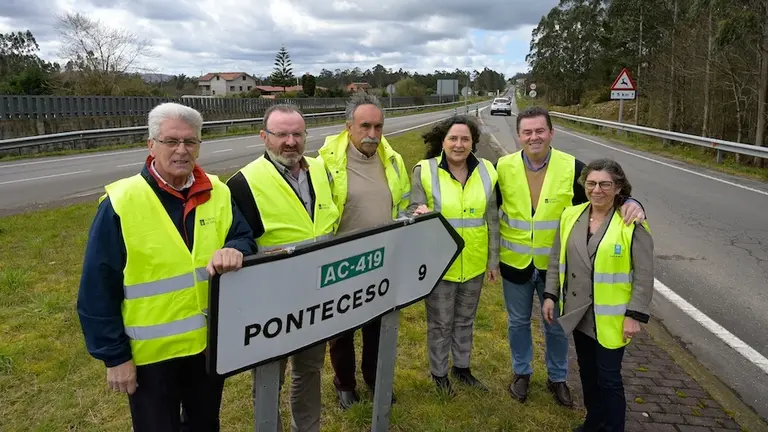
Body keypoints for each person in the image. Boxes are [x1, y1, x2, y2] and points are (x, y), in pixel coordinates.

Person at [77, 102, 256, 432]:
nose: (181, 150)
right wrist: (114, 357)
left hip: (206, 348)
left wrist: (234, 248)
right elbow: (96, 288)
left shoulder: (218, 191)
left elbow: (244, 236)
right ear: (151, 145)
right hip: (150, 357)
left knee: (205, 424)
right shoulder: (122, 202)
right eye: (171, 141)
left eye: (190, 142)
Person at [495, 106, 646, 407]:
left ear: (552, 132)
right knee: (517, 322)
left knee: (557, 325)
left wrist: (632, 201)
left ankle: (558, 377)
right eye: (527, 132)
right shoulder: (502, 167)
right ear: (518, 135)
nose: (534, 137)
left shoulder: (573, 167)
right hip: (516, 262)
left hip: (559, 267)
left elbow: (603, 192)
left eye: (540, 130)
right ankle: (521, 373)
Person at [226, 104, 339, 432]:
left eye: (297, 134)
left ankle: (307, 428)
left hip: (316, 294)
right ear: (264, 137)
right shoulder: (242, 183)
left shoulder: (320, 170)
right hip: (268, 302)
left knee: (309, 370)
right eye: (281, 134)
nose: (290, 141)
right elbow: (237, 243)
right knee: (268, 376)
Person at [542, 158, 654, 432]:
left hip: (613, 318)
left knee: (609, 378)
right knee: (588, 375)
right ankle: (593, 423)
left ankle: (613, 427)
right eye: (591, 183)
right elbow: (557, 259)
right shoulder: (571, 215)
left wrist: (634, 315)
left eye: (605, 184)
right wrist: (550, 295)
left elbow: (644, 274)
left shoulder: (631, 222)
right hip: (579, 313)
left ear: (618, 188)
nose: (597, 190)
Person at [317, 92, 410, 409]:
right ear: (348, 127)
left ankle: (375, 378)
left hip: (383, 259)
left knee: (378, 328)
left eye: (378, 127)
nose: (372, 134)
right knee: (341, 329)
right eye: (365, 126)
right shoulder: (326, 164)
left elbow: (401, 203)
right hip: (342, 262)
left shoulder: (393, 160)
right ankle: (344, 384)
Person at [409, 115, 499, 395]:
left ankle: (462, 368)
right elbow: (409, 210)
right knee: (440, 322)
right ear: (443, 141)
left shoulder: (487, 171)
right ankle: (439, 374)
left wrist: (492, 260)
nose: (459, 144)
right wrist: (417, 212)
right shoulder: (424, 170)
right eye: (453, 138)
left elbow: (493, 219)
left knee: (465, 320)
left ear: (473, 143)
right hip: (439, 263)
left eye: (465, 139)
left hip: (473, 262)